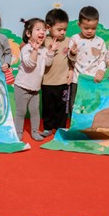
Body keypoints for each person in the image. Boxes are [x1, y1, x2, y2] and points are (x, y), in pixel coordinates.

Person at [14, 18, 58, 141]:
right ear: (28, 33)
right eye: (38, 29)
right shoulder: (26, 48)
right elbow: (30, 64)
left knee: (35, 111)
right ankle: (18, 132)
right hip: (22, 87)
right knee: (21, 112)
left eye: (44, 30)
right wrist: (34, 50)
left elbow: (48, 63)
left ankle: (34, 132)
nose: (42, 32)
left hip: (35, 89)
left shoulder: (43, 49)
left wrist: (50, 51)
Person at [40, 8, 73, 137]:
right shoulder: (43, 41)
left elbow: (72, 59)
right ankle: (48, 128)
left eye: (65, 29)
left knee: (62, 108)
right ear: (48, 27)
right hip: (47, 81)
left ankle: (61, 128)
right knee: (48, 107)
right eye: (59, 29)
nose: (63, 32)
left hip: (63, 82)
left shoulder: (68, 41)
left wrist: (71, 70)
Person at [68, 6, 107, 112]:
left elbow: (103, 59)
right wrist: (72, 53)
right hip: (77, 80)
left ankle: (90, 122)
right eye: (86, 28)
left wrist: (101, 70)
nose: (90, 31)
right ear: (79, 24)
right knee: (75, 104)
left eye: (93, 28)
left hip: (93, 79)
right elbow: (71, 60)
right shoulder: (75, 39)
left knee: (92, 104)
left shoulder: (100, 41)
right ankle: (74, 122)